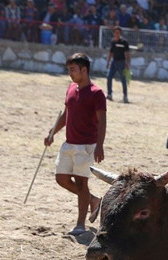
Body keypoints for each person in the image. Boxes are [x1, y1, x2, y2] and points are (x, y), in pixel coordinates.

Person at [43, 53, 105, 237]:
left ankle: (80, 224)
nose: (70, 73)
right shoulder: (71, 88)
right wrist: (53, 132)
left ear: (84, 70)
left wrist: (100, 145)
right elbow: (66, 114)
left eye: (72, 70)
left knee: (81, 183)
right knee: (61, 178)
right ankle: (93, 200)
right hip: (69, 144)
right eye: (69, 70)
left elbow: (102, 121)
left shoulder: (97, 93)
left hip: (86, 146)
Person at [105, 26, 130, 103]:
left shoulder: (124, 42)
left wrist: (127, 63)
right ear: (114, 33)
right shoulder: (113, 42)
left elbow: (127, 54)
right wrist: (108, 62)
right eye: (115, 32)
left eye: (118, 32)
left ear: (120, 33)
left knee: (123, 80)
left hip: (122, 62)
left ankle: (125, 96)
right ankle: (109, 94)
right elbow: (110, 53)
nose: (116, 34)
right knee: (109, 77)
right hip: (114, 62)